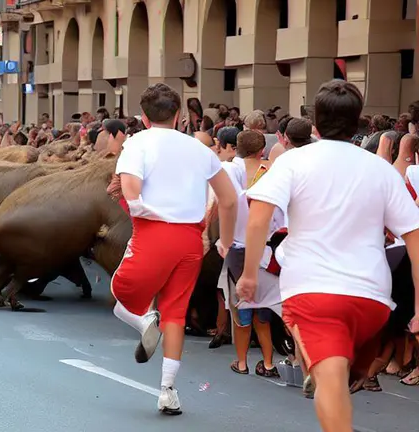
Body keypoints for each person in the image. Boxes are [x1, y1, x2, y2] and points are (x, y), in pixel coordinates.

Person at [236, 80, 419, 432]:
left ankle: (322, 373)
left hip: (312, 290)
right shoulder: (381, 169)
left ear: (315, 124)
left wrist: (248, 274)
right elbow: (413, 235)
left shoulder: (293, 162)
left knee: (331, 384)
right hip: (372, 300)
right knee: (339, 377)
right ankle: (324, 369)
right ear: (358, 122)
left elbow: (259, 216)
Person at [112, 83, 237, 415]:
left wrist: (141, 207)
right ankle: (168, 390)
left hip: (153, 233)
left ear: (143, 116)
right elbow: (228, 199)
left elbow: (131, 190)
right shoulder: (200, 149)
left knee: (119, 293)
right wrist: (225, 239)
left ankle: (143, 323)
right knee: (176, 313)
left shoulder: (136, 143)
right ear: (180, 115)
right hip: (191, 241)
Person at [222, 130, 282, 377]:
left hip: (236, 248)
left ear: (237, 147)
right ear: (262, 152)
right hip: (267, 247)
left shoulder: (228, 173)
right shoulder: (272, 176)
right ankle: (268, 363)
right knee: (265, 308)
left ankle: (242, 362)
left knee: (242, 306)